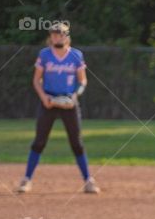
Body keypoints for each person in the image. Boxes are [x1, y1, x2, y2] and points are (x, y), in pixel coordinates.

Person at [16, 21, 99, 194]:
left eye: (60, 33)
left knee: (76, 143)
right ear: (50, 37)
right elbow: (36, 80)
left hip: (69, 102)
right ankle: (27, 179)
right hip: (49, 101)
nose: (57, 36)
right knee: (39, 141)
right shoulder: (45, 54)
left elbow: (83, 80)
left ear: (67, 36)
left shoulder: (76, 55)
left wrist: (76, 95)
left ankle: (88, 180)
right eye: (54, 34)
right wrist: (44, 97)